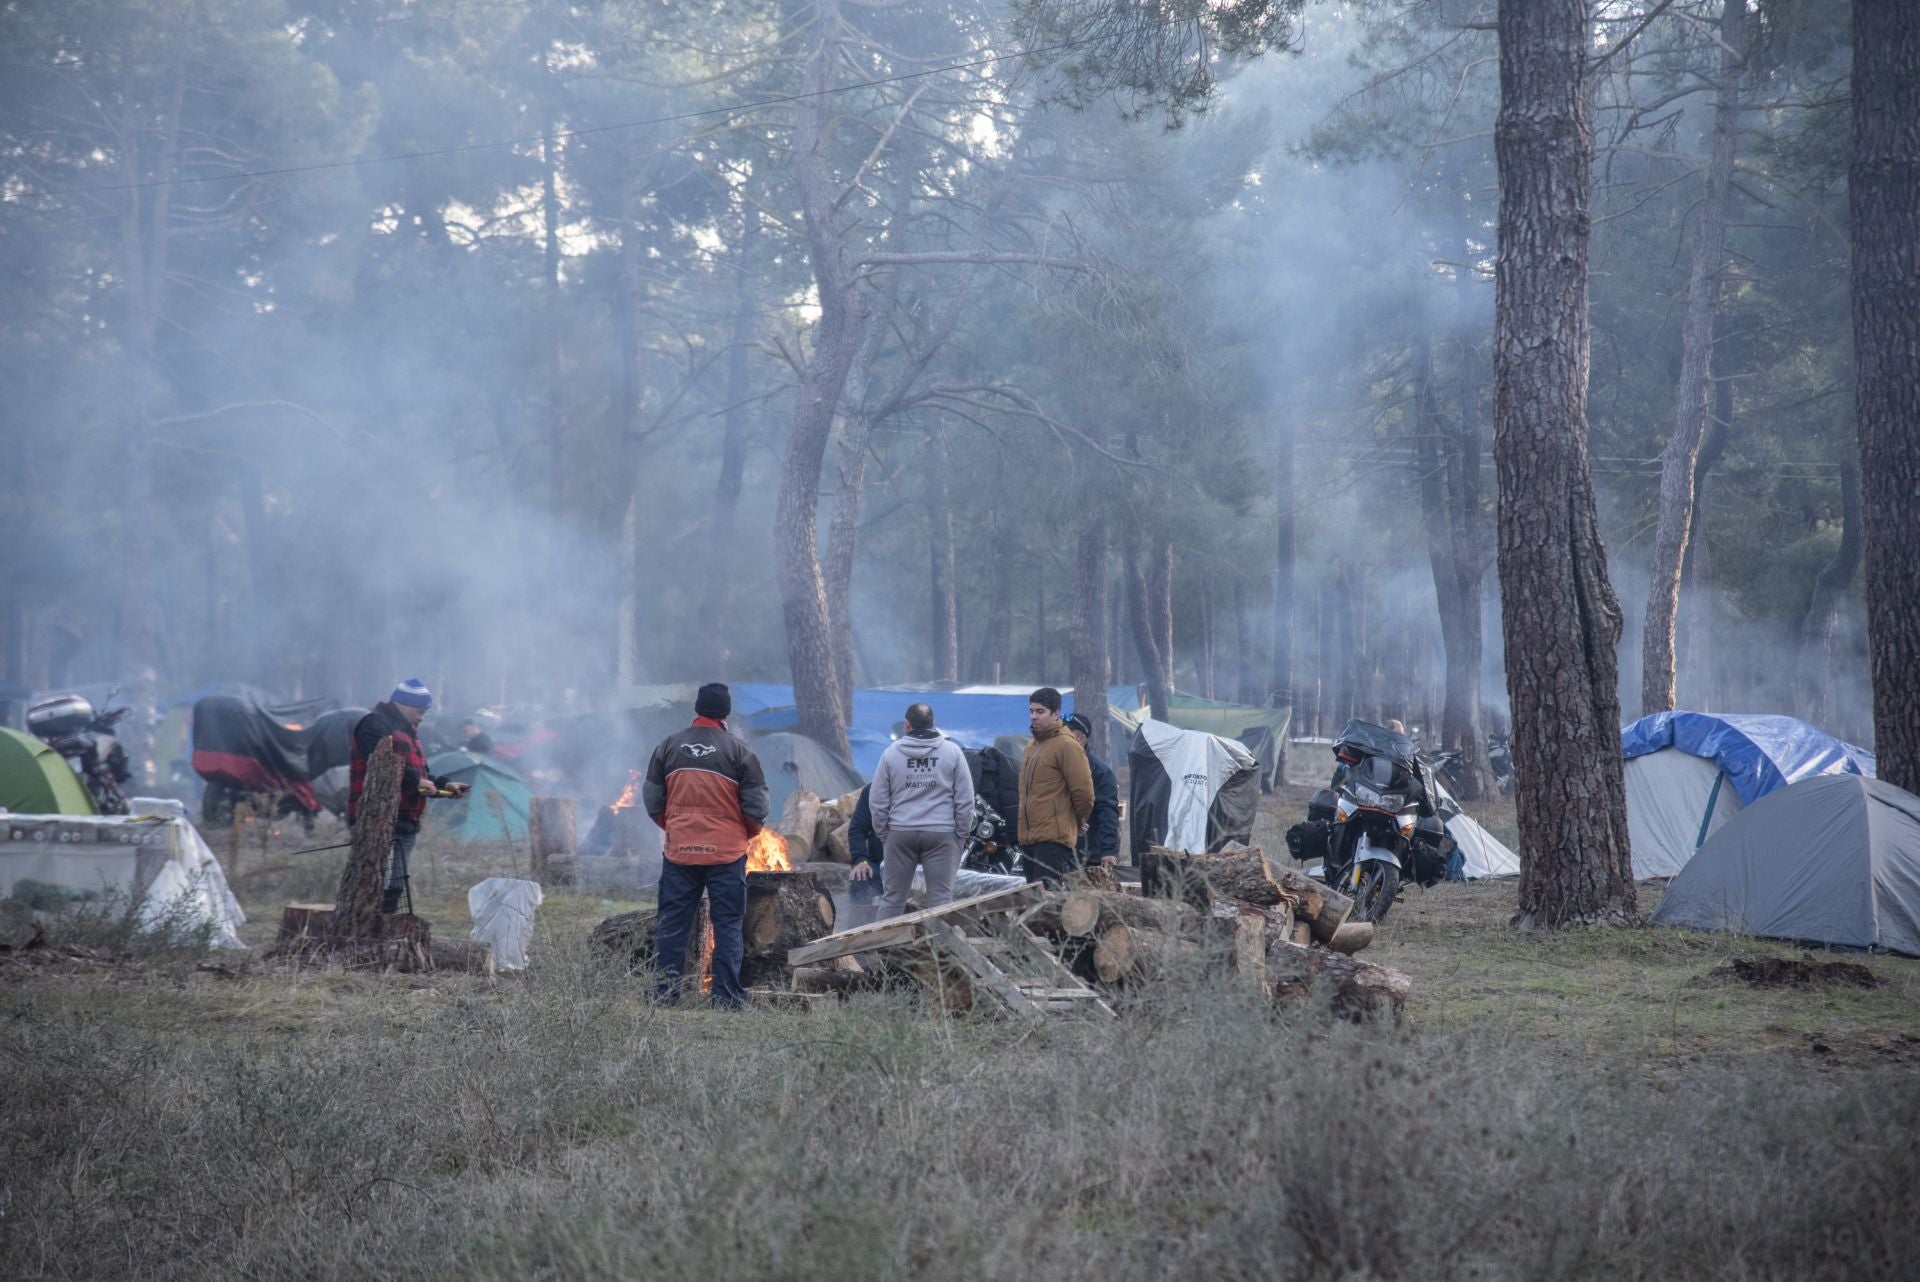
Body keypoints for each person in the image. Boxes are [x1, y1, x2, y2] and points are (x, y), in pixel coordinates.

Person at [642, 682, 768, 1010]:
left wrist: (673, 826)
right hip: (726, 854)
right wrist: (745, 833)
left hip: (680, 851)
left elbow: (653, 799)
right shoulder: (741, 752)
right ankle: (725, 999)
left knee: (673, 922)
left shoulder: (668, 747)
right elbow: (757, 807)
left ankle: (663, 994)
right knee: (726, 924)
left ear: (697, 709)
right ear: (726, 713)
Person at [348, 678, 468, 914]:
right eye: (419, 711)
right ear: (401, 704)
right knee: (375, 878)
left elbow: (420, 773)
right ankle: (366, 924)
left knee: (396, 881)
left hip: (406, 817)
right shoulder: (374, 725)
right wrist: (417, 780)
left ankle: (387, 922)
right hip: (378, 816)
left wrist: (444, 786)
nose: (422, 716)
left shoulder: (408, 731)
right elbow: (384, 764)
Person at [870, 702, 974, 919]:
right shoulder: (952, 752)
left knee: (892, 898)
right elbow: (965, 800)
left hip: (900, 832)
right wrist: (961, 835)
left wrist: (884, 835)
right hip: (941, 834)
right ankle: (941, 951)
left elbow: (877, 801)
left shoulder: (890, 754)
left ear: (906, 726)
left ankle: (880, 951)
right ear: (934, 724)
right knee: (941, 900)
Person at [1017, 687, 1094, 886]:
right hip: (1028, 839)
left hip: (1053, 841)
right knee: (1033, 901)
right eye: (1031, 711)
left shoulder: (1067, 746)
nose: (1034, 716)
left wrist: (1077, 820)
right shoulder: (1031, 747)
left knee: (1049, 904)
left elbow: (1084, 793)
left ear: (1056, 713)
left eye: (1040, 711)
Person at [1066, 713, 1120, 869]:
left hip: (1088, 855)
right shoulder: (1054, 768)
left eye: (1066, 737)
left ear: (1081, 739)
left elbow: (1108, 811)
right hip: (1060, 850)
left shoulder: (1100, 772)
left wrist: (1108, 850)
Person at [843, 783, 882, 929]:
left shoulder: (919, 787)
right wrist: (861, 860)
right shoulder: (873, 791)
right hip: (879, 864)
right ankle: (857, 938)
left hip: (918, 865)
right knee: (860, 877)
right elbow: (857, 829)